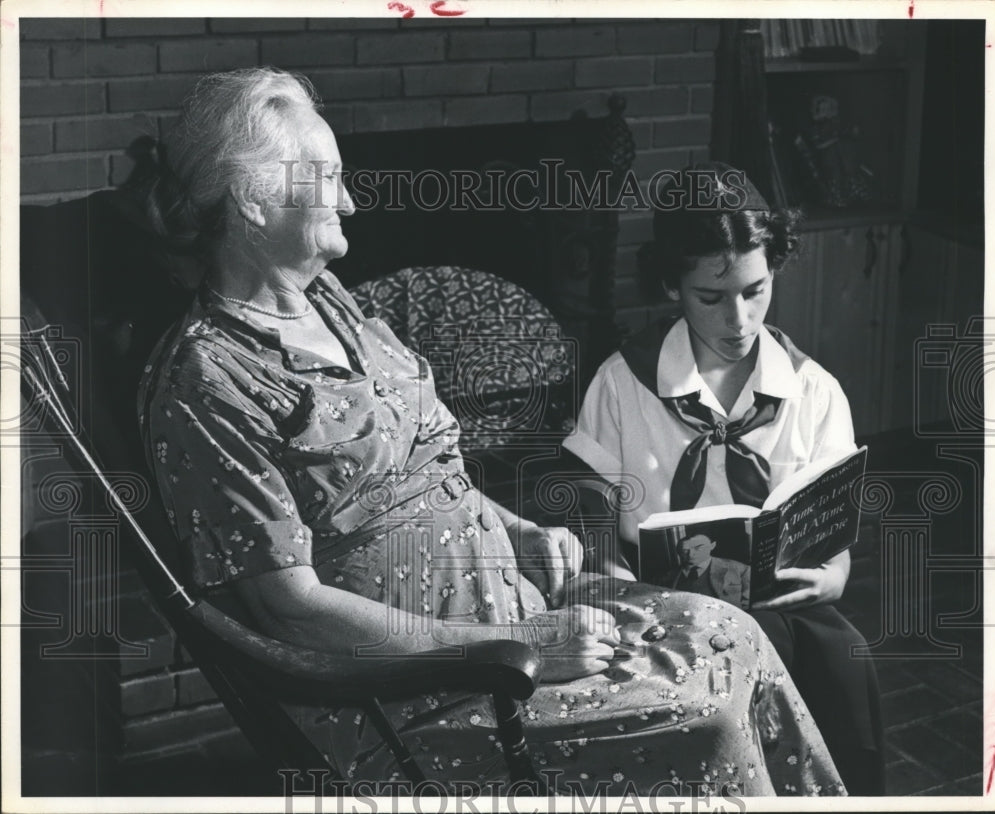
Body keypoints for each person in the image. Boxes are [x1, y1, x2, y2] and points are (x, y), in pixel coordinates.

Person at [137, 68, 847, 796]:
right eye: (327, 179)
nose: (350, 200)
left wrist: (516, 531)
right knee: (707, 717)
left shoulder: (327, 303)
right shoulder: (205, 383)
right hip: (426, 696)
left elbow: (430, 471)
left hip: (512, 611)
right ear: (253, 202)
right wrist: (517, 644)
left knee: (737, 635)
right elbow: (288, 607)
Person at [562, 162, 884, 794]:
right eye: (711, 297)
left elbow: (833, 537)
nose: (739, 319)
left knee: (846, 669)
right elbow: (595, 535)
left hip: (780, 609)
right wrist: (614, 586)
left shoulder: (814, 391)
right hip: (659, 611)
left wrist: (833, 574)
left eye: (755, 290)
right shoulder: (621, 383)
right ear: (671, 286)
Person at [664, 532, 751, 609]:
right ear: (678, 552)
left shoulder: (740, 569)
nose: (691, 554)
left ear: (712, 546)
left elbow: (749, 604)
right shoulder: (668, 575)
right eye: (685, 550)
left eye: (698, 548)